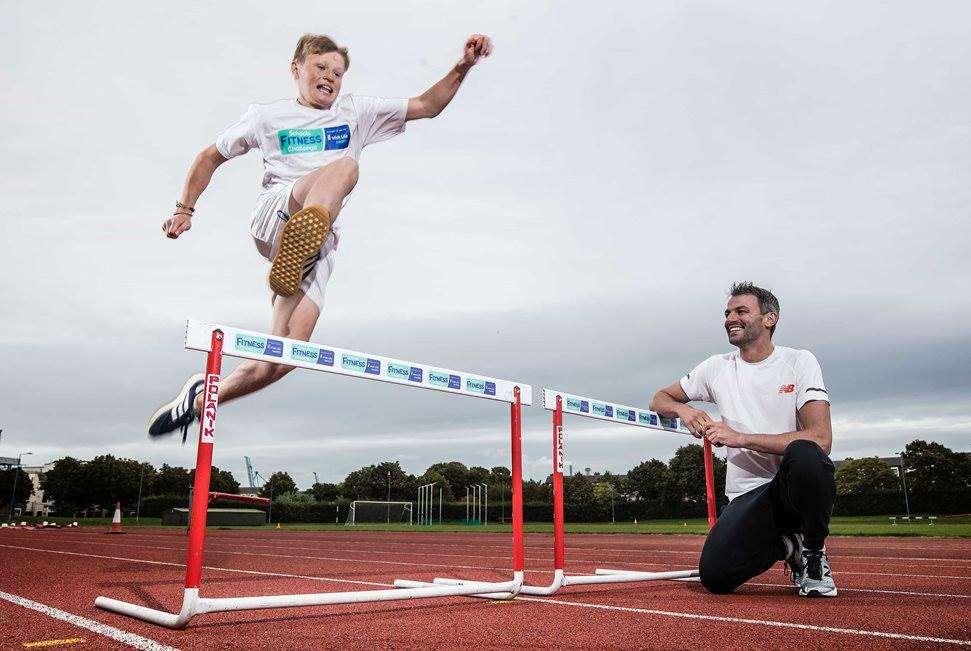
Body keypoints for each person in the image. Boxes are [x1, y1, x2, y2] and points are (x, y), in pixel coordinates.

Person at [148, 32, 493, 441]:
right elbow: (209, 156)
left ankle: (205, 396)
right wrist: (184, 210)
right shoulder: (266, 117)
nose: (330, 77)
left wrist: (464, 65)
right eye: (321, 67)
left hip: (318, 245)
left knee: (285, 355)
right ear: (297, 69)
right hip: (278, 214)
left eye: (338, 73)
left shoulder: (356, 112)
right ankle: (304, 233)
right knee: (347, 168)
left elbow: (427, 106)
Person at [650, 282, 837, 597]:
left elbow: (821, 439)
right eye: (727, 313)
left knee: (807, 454)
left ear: (769, 319)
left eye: (740, 311)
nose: (729, 318)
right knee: (716, 578)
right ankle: (788, 544)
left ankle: (813, 552)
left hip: (790, 490)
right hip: (746, 495)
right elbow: (659, 399)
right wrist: (684, 410)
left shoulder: (799, 361)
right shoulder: (716, 367)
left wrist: (739, 438)